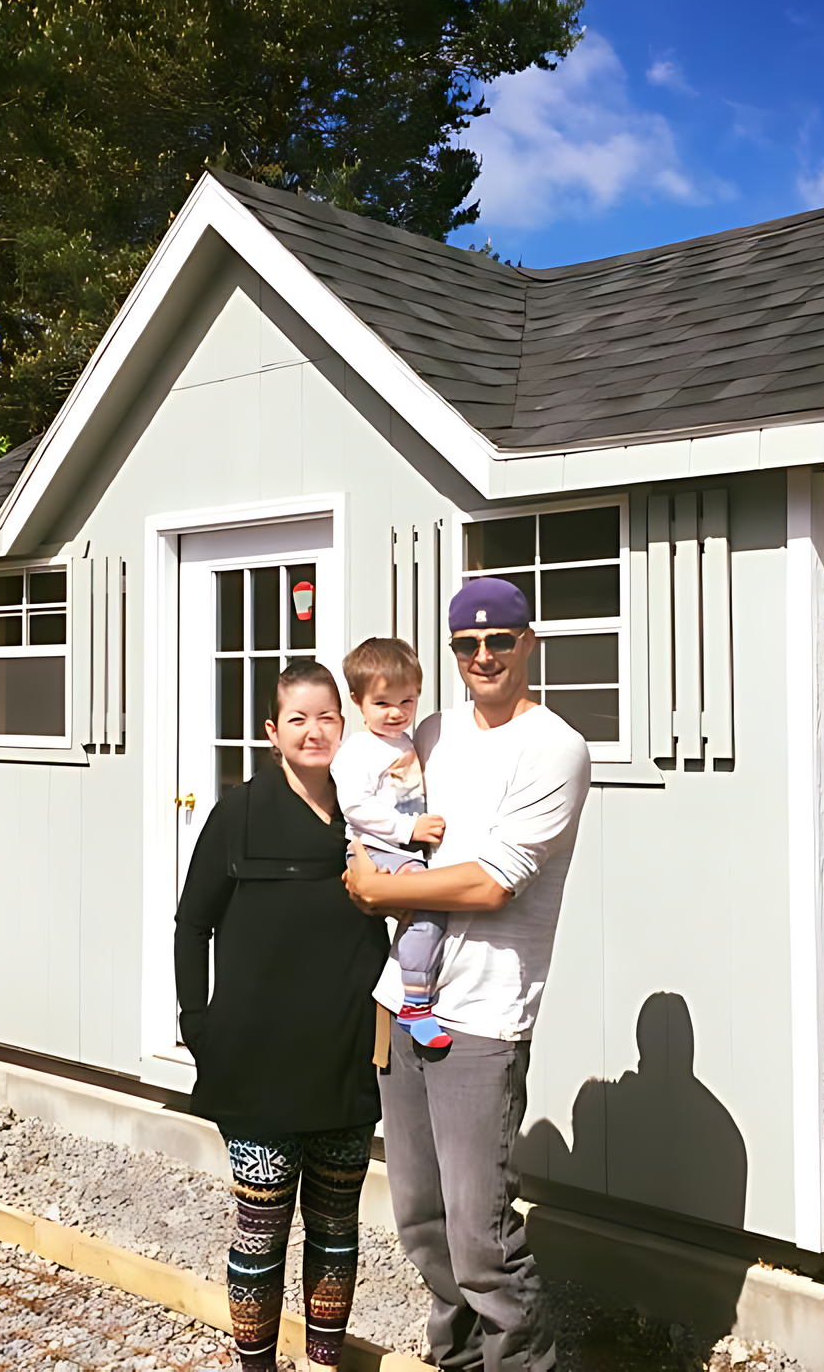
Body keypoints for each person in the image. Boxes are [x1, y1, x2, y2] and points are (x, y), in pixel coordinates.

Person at [345, 577, 592, 1372]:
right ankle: (454, 1361)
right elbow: (374, 818)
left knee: (480, 1236)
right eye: (466, 644)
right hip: (402, 1001)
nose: (483, 655)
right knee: (420, 1220)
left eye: (499, 640)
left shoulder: (555, 746)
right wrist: (364, 868)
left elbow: (491, 882)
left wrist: (381, 889)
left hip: (480, 1016)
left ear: (529, 643)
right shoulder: (435, 730)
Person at [175, 659, 389, 1372]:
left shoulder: (370, 815)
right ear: (273, 731)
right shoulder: (239, 812)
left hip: (346, 1057)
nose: (314, 731)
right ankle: (256, 1364)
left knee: (335, 1228)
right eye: (297, 718)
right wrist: (195, 1024)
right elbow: (191, 924)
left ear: (345, 722)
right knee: (261, 1231)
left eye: (327, 716)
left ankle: (325, 1360)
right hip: (257, 1065)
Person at [335, 636, 452, 1048]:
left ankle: (413, 989)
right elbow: (355, 808)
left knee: (424, 916)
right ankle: (416, 1006)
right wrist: (411, 830)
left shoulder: (405, 740)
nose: (396, 713)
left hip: (402, 846)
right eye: (383, 703)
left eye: (407, 702)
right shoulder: (357, 751)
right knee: (429, 912)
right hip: (377, 847)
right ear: (357, 699)